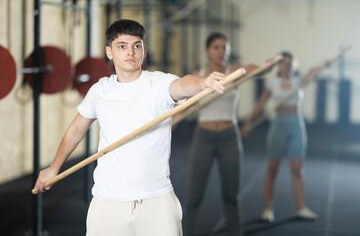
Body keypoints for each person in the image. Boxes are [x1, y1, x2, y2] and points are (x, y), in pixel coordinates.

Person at [33, 19, 227, 236]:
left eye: (137, 45)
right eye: (122, 46)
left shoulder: (158, 84)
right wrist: (54, 167)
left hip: (157, 200)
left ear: (144, 50)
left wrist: (203, 83)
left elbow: (183, 84)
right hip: (108, 201)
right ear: (109, 52)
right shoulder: (100, 91)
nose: (130, 52)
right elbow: (76, 130)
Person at [181, 32, 257, 236]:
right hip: (203, 138)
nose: (221, 51)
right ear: (207, 51)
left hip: (229, 138)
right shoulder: (200, 74)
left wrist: (267, 65)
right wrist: (170, 121)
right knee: (194, 196)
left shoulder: (234, 72)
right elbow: (181, 98)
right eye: (216, 47)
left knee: (231, 196)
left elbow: (253, 69)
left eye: (225, 47)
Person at [241, 51, 321, 222]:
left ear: (295, 64)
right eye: (284, 63)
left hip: (296, 125)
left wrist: (325, 64)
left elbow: (313, 71)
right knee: (272, 169)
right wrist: (247, 123)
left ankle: (301, 207)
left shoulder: (298, 81)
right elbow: (260, 104)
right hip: (279, 126)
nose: (288, 66)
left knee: (297, 169)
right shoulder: (273, 83)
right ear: (279, 65)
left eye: (290, 63)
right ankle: (268, 209)